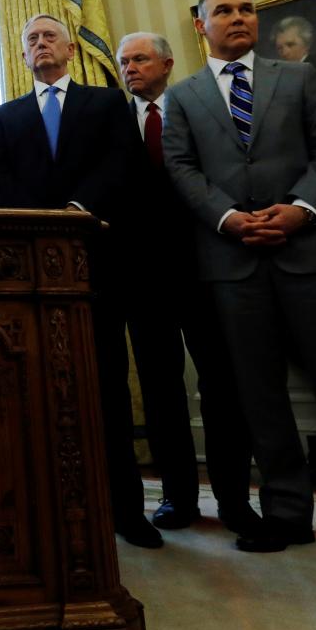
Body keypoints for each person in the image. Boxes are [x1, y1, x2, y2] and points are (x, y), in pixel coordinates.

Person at [164, 0, 316, 569]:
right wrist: (227, 218)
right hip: (232, 260)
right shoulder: (183, 95)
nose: (239, 17)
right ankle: (287, 512)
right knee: (259, 394)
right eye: (224, 10)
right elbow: (181, 165)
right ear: (201, 26)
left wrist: (301, 209)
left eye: (246, 9)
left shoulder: (298, 77)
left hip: (311, 252)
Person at [0, 13, 158, 548]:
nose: (39, 44)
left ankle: (126, 510)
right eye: (30, 38)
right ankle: (52, 509)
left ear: (71, 48)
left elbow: (123, 164)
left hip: (100, 264)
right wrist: (44, 223)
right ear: (24, 53)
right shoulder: (7, 116)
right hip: (32, 273)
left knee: (106, 387)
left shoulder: (104, 103)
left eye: (48, 35)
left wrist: (78, 209)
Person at [115, 31, 256, 535]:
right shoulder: (112, 119)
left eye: (140, 59)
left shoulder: (199, 105)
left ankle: (235, 499)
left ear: (168, 63)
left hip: (205, 268)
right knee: (159, 390)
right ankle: (177, 497)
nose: (130, 68)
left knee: (222, 385)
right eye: (124, 61)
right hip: (142, 276)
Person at [272, 14, 316, 85]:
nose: (285, 53)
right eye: (279, 48)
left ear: (306, 43)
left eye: (290, 45)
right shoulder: (282, 75)